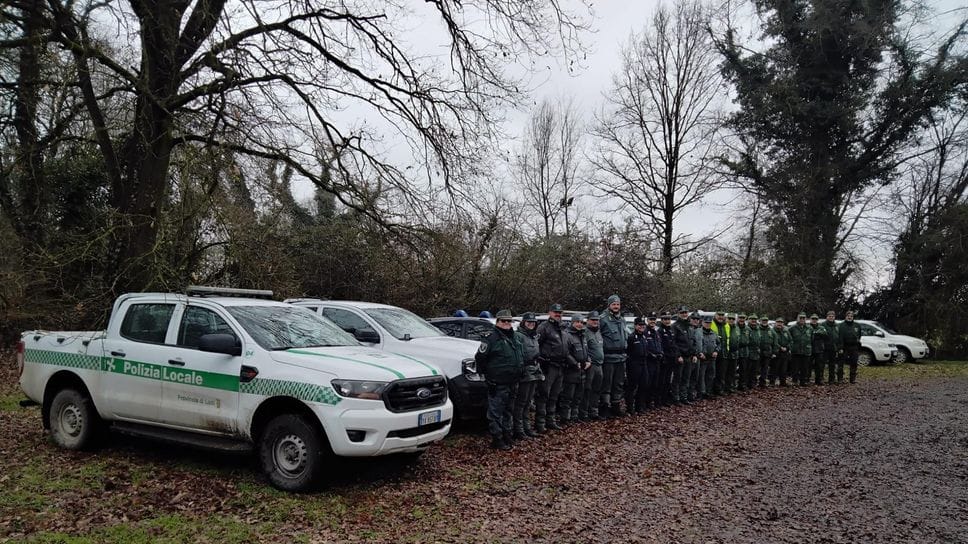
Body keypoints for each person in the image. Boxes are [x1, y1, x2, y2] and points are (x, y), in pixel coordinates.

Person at [475, 310, 524, 450]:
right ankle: (497, 438)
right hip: (497, 382)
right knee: (495, 412)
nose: (507, 323)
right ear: (497, 322)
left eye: (509, 321)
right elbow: (480, 358)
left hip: (513, 381)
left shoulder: (514, 337)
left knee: (508, 410)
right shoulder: (491, 338)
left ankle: (506, 434)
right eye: (503, 321)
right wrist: (486, 377)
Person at [535, 303, 567, 432]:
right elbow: (536, 345)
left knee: (554, 395)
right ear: (550, 313)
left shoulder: (562, 327)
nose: (558, 314)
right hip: (548, 366)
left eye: (560, 312)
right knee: (543, 395)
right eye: (555, 312)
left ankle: (551, 420)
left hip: (560, 366)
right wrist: (541, 361)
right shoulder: (543, 327)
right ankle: (540, 423)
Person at [512, 313, 543, 441]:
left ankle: (527, 427)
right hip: (525, 372)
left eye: (533, 322)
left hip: (534, 371)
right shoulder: (518, 335)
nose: (531, 324)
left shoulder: (533, 336)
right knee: (521, 402)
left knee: (528, 402)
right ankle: (518, 429)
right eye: (528, 322)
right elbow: (517, 354)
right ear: (523, 323)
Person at [600, 294, 630, 417]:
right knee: (607, 383)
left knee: (618, 383)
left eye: (618, 304)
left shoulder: (622, 319)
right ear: (609, 305)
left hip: (621, 357)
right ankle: (605, 407)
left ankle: (616, 406)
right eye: (613, 304)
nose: (616, 306)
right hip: (608, 357)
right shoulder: (602, 319)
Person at [560, 316, 589, 425]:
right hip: (571, 370)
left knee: (578, 396)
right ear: (572, 322)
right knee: (568, 396)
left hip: (582, 370)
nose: (580, 324)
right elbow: (566, 352)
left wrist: (588, 360)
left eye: (581, 322)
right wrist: (574, 363)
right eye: (577, 322)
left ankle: (574, 416)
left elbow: (586, 351)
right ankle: (565, 418)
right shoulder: (567, 335)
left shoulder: (583, 335)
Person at [580, 311, 605, 420]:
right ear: (588, 320)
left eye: (597, 320)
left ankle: (593, 412)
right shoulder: (585, 332)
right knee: (587, 389)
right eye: (593, 320)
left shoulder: (598, 332)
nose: (595, 322)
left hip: (600, 365)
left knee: (597, 389)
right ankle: (584, 413)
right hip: (590, 366)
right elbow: (584, 349)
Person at [625, 317, 650, 414]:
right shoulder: (631, 337)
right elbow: (628, 351)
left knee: (644, 385)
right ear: (635, 326)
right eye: (640, 325)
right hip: (634, 364)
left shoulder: (644, 336)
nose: (642, 327)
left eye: (643, 325)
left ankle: (639, 406)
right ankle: (630, 407)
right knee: (632, 386)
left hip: (644, 363)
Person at [672, 306, 693, 404]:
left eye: (686, 312)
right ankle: (676, 398)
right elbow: (673, 342)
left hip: (688, 356)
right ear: (679, 314)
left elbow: (692, 341)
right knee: (677, 378)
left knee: (686, 378)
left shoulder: (689, 325)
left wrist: (694, 354)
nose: (684, 314)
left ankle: (683, 397)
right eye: (682, 313)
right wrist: (678, 355)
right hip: (680, 356)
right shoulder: (675, 326)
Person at [658, 312, 680, 405]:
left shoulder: (671, 330)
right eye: (665, 319)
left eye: (668, 319)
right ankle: (660, 399)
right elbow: (661, 345)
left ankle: (666, 398)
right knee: (662, 380)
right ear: (662, 320)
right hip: (665, 359)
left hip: (672, 358)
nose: (667, 321)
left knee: (668, 380)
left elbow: (674, 344)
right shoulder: (660, 331)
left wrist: (676, 354)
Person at [644, 313, 665, 408]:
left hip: (657, 361)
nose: (652, 321)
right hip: (649, 361)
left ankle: (652, 401)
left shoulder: (656, 332)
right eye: (651, 319)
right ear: (647, 320)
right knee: (648, 383)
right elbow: (645, 347)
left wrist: (661, 353)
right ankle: (646, 402)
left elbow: (659, 345)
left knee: (655, 383)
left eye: (654, 319)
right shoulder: (645, 332)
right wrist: (651, 355)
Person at [788, 313, 813, 386]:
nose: (802, 319)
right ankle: (794, 381)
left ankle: (803, 381)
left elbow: (812, 338)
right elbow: (789, 339)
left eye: (803, 318)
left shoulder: (809, 328)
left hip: (806, 351)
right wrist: (791, 347)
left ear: (806, 319)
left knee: (805, 367)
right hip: (796, 351)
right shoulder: (792, 328)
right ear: (797, 319)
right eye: (800, 318)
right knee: (795, 367)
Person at [710, 311, 731, 396]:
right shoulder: (711, 323)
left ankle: (719, 389)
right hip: (713, 353)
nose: (721, 317)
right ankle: (710, 390)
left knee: (721, 373)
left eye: (722, 315)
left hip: (723, 353)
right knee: (712, 373)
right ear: (715, 315)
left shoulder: (726, 325)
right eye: (719, 315)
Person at [699, 315, 719, 399]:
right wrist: (700, 353)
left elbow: (718, 344)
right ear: (702, 323)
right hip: (702, 358)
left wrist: (716, 351)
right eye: (706, 323)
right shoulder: (699, 332)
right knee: (701, 376)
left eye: (709, 323)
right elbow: (696, 344)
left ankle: (708, 392)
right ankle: (702, 392)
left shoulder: (714, 333)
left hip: (712, 358)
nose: (708, 324)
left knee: (711, 376)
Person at [838, 310, 862, 384]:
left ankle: (852, 379)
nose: (849, 317)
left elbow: (859, 335)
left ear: (853, 317)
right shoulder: (841, 325)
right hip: (844, 347)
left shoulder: (857, 325)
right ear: (846, 316)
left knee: (854, 363)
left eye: (851, 316)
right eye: (848, 316)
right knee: (841, 363)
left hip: (854, 347)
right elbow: (839, 337)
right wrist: (840, 347)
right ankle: (840, 379)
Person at [821, 310, 842, 384]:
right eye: (829, 316)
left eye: (832, 316)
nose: (831, 317)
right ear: (827, 317)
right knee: (822, 364)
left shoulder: (837, 325)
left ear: (834, 317)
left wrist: (839, 347)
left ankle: (831, 379)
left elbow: (839, 337)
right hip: (825, 348)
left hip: (833, 348)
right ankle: (821, 379)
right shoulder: (823, 325)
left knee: (832, 365)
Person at [687, 312, 703, 401]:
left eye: (697, 319)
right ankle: (685, 395)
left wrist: (701, 352)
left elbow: (701, 343)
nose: (695, 320)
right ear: (690, 319)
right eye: (694, 319)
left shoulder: (700, 330)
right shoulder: (688, 329)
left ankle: (691, 395)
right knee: (687, 377)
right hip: (690, 357)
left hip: (698, 357)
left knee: (695, 377)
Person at [734, 313, 752, 392]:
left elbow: (750, 340)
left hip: (744, 352)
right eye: (740, 318)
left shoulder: (748, 329)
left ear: (745, 319)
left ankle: (742, 385)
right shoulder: (734, 327)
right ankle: (732, 385)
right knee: (733, 370)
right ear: (737, 319)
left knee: (743, 370)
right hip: (735, 351)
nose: (741, 319)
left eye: (743, 318)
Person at [757, 316, 776, 387]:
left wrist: (774, 352)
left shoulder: (771, 331)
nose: (764, 322)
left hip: (767, 353)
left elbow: (775, 342)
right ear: (760, 321)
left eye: (766, 320)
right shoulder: (757, 329)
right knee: (756, 368)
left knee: (765, 369)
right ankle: (753, 382)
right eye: (763, 320)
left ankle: (762, 382)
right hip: (758, 352)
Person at [772, 318, 792, 386]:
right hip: (776, 352)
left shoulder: (786, 331)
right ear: (775, 323)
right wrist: (780, 347)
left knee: (784, 369)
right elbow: (773, 342)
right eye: (778, 322)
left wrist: (787, 347)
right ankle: (772, 382)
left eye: (781, 322)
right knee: (774, 368)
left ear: (783, 324)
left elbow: (790, 341)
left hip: (785, 353)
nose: (779, 324)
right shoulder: (772, 331)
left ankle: (783, 382)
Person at [809, 314, 828, 385]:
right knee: (808, 365)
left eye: (815, 319)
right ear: (810, 319)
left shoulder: (821, 327)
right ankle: (807, 379)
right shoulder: (807, 327)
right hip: (810, 349)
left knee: (819, 366)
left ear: (817, 320)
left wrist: (817, 334)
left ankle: (818, 380)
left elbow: (825, 336)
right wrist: (816, 335)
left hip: (819, 349)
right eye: (813, 319)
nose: (814, 320)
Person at [725, 313, 740, 394]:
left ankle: (730, 386)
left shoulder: (737, 328)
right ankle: (724, 387)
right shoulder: (724, 327)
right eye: (729, 318)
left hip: (734, 353)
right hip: (726, 353)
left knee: (732, 372)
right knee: (724, 372)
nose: (731, 320)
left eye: (733, 319)